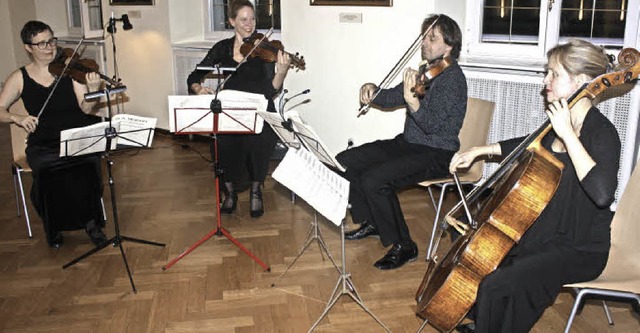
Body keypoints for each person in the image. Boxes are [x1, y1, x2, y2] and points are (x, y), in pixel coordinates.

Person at [449, 39, 620, 333]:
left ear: (581, 81)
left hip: (579, 246)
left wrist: (568, 135)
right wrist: (479, 150)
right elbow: (527, 143)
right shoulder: (556, 123)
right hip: (546, 231)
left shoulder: (603, 133)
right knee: (482, 256)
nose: (545, 82)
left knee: (496, 283)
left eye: (554, 74)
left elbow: (603, 194)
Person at [336, 14, 467, 270]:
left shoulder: (453, 80)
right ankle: (373, 221)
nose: (425, 42)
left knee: (376, 180)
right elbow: (393, 96)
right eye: (425, 36)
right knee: (347, 160)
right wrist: (372, 90)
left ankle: (404, 245)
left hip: (437, 153)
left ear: (449, 46)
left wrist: (413, 101)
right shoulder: (426, 73)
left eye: (432, 38)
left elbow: (431, 125)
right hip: (409, 144)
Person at [0, 20, 108, 248]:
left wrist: (93, 91)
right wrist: (17, 118)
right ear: (28, 47)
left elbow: (87, 109)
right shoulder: (19, 77)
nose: (49, 48)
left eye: (51, 41)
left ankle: (91, 223)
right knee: (48, 172)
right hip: (44, 143)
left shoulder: (69, 71)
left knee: (87, 166)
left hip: (77, 136)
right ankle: (54, 225)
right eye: (41, 44)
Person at [187, 0, 291, 218]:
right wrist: (198, 88)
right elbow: (194, 76)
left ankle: (255, 190)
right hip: (231, 109)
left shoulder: (263, 48)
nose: (249, 24)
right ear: (232, 21)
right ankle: (231, 192)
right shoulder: (222, 48)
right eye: (243, 19)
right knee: (220, 144)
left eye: (252, 19)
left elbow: (270, 89)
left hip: (259, 107)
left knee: (259, 140)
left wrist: (281, 72)